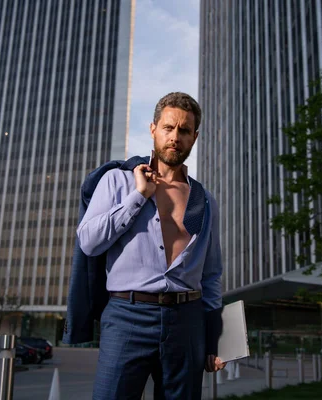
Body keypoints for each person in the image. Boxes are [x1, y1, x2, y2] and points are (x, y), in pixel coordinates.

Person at [77, 92, 225, 399]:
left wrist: (214, 339)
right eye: (168, 128)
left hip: (187, 322)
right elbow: (89, 242)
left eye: (184, 131)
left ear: (194, 137)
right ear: (153, 129)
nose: (175, 137)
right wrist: (138, 197)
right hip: (127, 315)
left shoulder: (205, 201)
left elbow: (210, 276)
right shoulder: (118, 182)